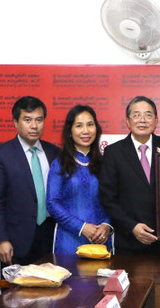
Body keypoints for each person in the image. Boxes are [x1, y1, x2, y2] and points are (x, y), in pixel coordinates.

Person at [99, 96, 160, 255]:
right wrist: (132, 227)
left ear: (156, 121)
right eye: (136, 115)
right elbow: (107, 198)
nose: (142, 120)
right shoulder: (114, 152)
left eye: (148, 115)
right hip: (129, 242)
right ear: (128, 122)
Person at [0, 96, 61, 266]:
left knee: (50, 289)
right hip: (15, 241)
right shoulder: (2, 154)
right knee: (14, 292)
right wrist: (1, 239)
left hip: (50, 237)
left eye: (39, 120)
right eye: (27, 120)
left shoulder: (54, 153)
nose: (34, 126)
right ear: (15, 122)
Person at [46, 105, 112, 253]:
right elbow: (52, 203)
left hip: (101, 240)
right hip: (70, 240)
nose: (85, 131)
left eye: (90, 124)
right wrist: (82, 227)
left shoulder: (106, 163)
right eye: (79, 126)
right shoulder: (60, 163)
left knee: (101, 276)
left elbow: (113, 200)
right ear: (70, 131)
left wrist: (107, 225)